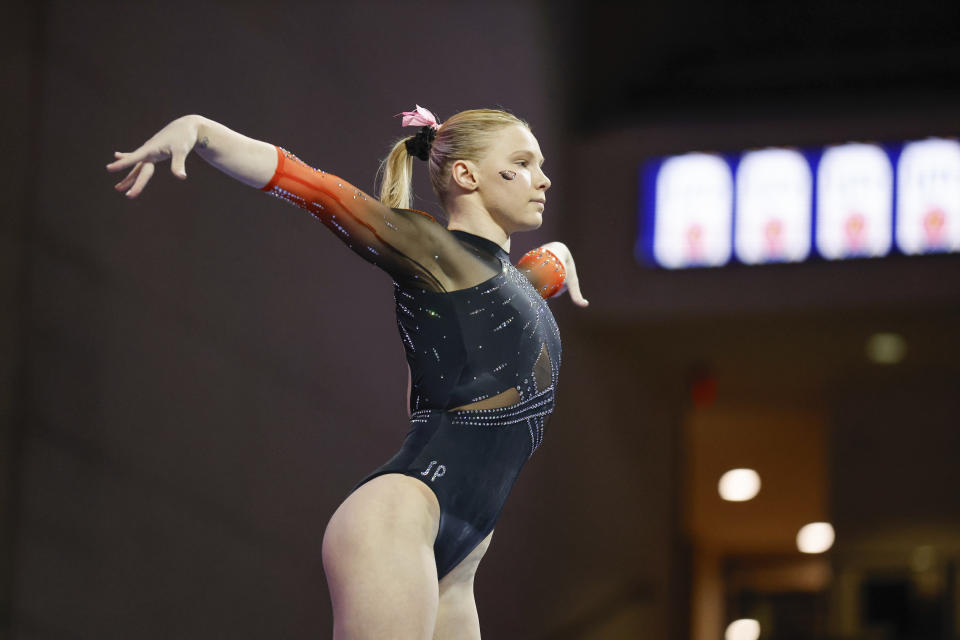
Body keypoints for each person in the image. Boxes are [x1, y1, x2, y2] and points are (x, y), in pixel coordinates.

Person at [106, 105, 588, 639]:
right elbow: (317, 190)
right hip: (400, 516)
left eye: (541, 164)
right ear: (466, 175)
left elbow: (528, 283)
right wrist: (202, 132)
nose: (542, 178)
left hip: (458, 561)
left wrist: (560, 258)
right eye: (522, 163)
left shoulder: (501, 284)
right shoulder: (434, 250)